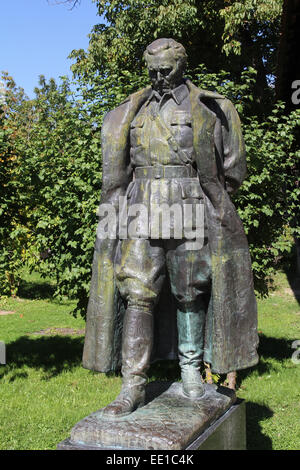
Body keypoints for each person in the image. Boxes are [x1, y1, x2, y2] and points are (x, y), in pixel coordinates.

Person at [82, 38, 259, 418]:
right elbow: (118, 170)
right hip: (139, 210)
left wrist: (205, 199)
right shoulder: (131, 109)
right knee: (137, 292)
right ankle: (132, 385)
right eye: (153, 70)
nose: (160, 77)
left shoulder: (213, 108)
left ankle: (192, 372)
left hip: (189, 208)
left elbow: (233, 170)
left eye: (167, 70)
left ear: (182, 65)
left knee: (189, 290)